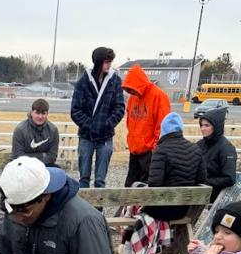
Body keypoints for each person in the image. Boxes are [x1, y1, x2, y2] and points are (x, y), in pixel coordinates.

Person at [70, 47, 125, 188]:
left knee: (100, 180)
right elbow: (75, 110)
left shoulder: (115, 81)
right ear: (99, 62)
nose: (109, 65)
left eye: (110, 61)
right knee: (84, 179)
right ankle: (82, 209)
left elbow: (119, 108)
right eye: (106, 61)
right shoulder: (83, 82)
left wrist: (106, 124)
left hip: (106, 137)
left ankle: (98, 210)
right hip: (86, 136)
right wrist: (91, 124)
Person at [141, 112, 209, 221]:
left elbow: (154, 183)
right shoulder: (195, 149)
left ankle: (130, 233)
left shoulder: (160, 150)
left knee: (136, 190)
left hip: (160, 210)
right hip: (183, 209)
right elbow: (201, 179)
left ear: (164, 129)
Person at [121, 63, 172, 186]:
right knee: (129, 185)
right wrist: (132, 142)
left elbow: (163, 126)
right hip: (134, 150)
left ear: (140, 83)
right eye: (129, 90)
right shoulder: (133, 97)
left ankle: (140, 207)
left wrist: (154, 149)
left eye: (132, 89)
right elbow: (130, 123)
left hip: (149, 152)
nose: (131, 92)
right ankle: (127, 206)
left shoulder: (159, 97)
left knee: (145, 187)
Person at [196, 105, 237, 202]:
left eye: (207, 125)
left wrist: (205, 182)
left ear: (215, 127)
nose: (203, 128)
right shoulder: (200, 144)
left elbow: (229, 178)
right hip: (198, 187)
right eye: (201, 125)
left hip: (213, 191)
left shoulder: (226, 148)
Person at [11, 98, 60, 166]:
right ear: (31, 112)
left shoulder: (53, 130)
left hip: (45, 165)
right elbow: (18, 156)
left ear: (47, 114)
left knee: (61, 174)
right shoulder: (20, 130)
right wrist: (42, 155)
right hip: (22, 166)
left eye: (43, 113)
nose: (40, 116)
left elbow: (52, 156)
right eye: (37, 113)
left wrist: (38, 166)